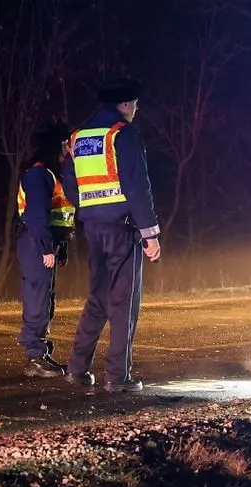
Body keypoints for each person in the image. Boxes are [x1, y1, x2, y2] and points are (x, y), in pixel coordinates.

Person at [62, 77, 162, 393]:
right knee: (123, 302)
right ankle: (118, 377)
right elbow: (137, 185)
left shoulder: (77, 137)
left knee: (98, 298)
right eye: (134, 106)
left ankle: (77, 368)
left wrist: (91, 210)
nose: (135, 111)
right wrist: (150, 233)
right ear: (125, 104)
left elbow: (70, 185)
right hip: (122, 228)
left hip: (92, 227)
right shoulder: (122, 133)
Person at [15, 122, 76, 377]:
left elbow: (59, 214)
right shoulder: (39, 174)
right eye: (68, 145)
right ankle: (35, 357)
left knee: (44, 300)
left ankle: (40, 353)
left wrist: (59, 247)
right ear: (59, 145)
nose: (70, 150)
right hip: (36, 243)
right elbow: (37, 215)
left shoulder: (51, 174)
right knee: (38, 300)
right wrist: (45, 248)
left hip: (45, 243)